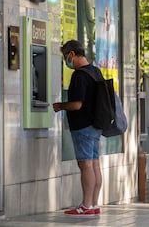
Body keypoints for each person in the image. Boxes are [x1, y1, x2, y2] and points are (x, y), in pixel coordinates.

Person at [53, 40, 103, 215]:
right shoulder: (95, 71)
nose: (66, 61)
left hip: (83, 126)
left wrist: (60, 106)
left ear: (72, 54)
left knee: (85, 165)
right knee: (95, 164)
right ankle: (94, 204)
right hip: (96, 125)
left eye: (65, 57)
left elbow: (76, 105)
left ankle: (85, 205)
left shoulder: (79, 75)